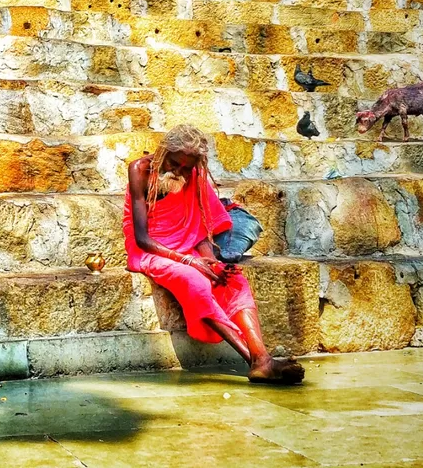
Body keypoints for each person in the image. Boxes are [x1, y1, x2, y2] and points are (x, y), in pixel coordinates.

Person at [124, 125, 304, 384]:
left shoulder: (194, 175)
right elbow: (142, 238)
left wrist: (211, 261)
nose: (179, 172)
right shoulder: (139, 170)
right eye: (175, 164)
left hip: (188, 248)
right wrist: (189, 261)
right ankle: (255, 361)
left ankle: (261, 357)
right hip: (151, 251)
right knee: (195, 281)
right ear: (163, 152)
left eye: (187, 168)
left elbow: (198, 226)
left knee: (231, 279)